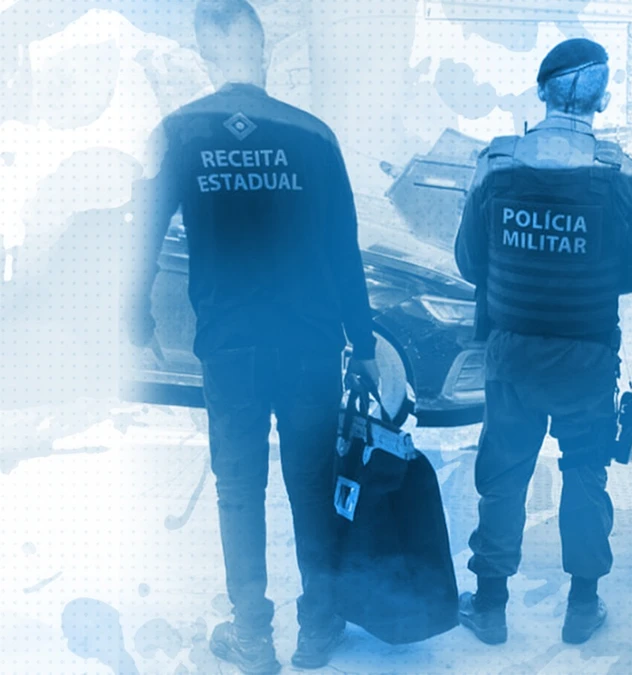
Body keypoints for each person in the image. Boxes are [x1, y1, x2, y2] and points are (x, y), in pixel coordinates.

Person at [125, 1, 379, 672]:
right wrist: (364, 344)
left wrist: (135, 323)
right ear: (263, 51)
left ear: (205, 56)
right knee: (311, 481)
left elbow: (140, 236)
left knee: (238, 487)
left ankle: (253, 636)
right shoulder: (313, 135)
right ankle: (317, 627)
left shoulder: (176, 133)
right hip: (310, 344)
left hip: (230, 345)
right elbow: (344, 249)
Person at [453, 37, 632, 647]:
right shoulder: (618, 174)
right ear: (602, 99)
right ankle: (582, 607)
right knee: (585, 474)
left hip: (512, 355)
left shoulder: (497, 164)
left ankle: (490, 607)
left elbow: (470, 262)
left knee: (503, 476)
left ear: (541, 91)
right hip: (587, 357)